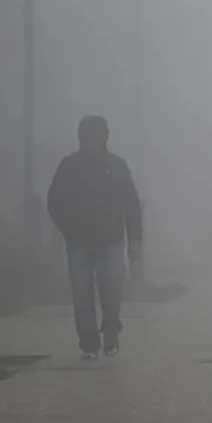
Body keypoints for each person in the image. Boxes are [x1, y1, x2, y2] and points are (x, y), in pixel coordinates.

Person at [47, 115, 143, 359]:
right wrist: (67, 229)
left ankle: (110, 335)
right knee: (82, 295)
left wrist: (135, 239)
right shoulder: (69, 166)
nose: (93, 140)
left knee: (112, 289)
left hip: (111, 240)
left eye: (97, 135)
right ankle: (89, 343)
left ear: (105, 137)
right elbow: (54, 201)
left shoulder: (116, 166)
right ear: (81, 137)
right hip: (78, 241)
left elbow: (131, 203)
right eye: (88, 136)